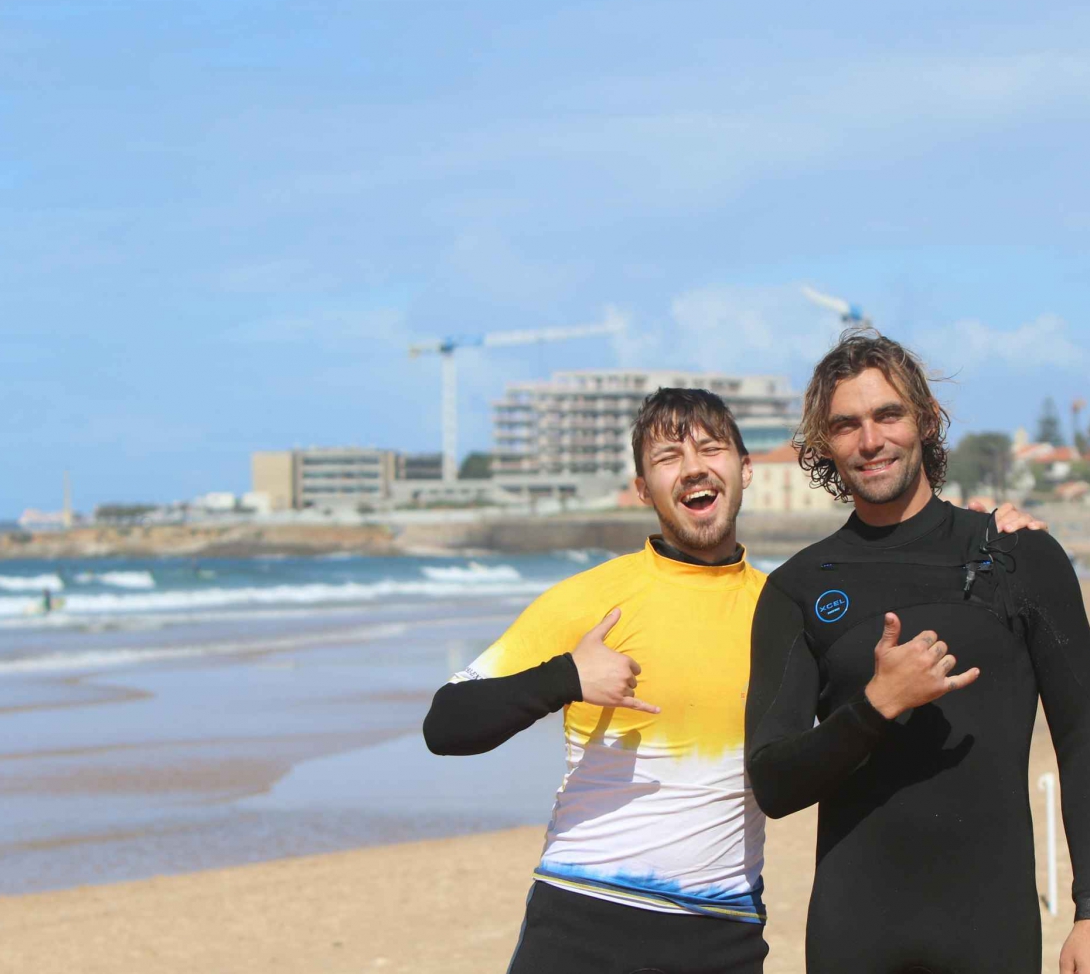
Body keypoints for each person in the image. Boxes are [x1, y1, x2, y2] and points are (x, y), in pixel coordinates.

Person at [423, 385, 1040, 974]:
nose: (693, 468)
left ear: (745, 469)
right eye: (668, 457)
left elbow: (828, 745)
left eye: (711, 449)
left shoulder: (783, 607)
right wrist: (565, 675)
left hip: (724, 935)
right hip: (583, 919)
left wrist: (991, 539)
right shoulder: (593, 599)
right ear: (643, 488)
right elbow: (446, 724)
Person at [745, 332, 1090, 974]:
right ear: (824, 444)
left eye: (888, 415)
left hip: (990, 930)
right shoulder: (798, 588)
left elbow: (1083, 737)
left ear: (924, 419)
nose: (871, 440)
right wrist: (874, 707)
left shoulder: (1016, 557)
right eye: (846, 425)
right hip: (854, 934)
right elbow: (773, 782)